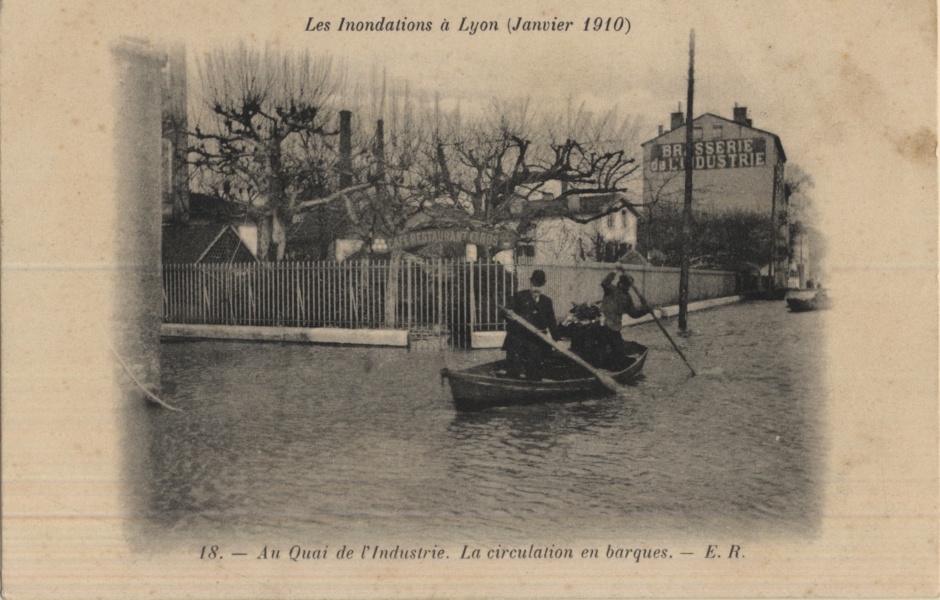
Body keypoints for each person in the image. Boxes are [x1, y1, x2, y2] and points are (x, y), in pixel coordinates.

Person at [595, 269, 663, 369]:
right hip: (603, 325)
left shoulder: (627, 297)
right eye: (626, 285)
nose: (627, 288)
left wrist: (646, 310)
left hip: (614, 327)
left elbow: (633, 313)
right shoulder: (610, 289)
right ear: (620, 283)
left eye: (629, 286)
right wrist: (614, 271)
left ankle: (612, 367)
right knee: (602, 351)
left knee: (618, 352)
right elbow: (604, 282)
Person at [502, 269, 559, 380]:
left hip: (536, 340)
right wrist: (509, 315)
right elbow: (504, 312)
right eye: (534, 285)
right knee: (513, 369)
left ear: (543, 286)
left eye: (540, 285)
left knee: (535, 371)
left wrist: (557, 340)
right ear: (530, 283)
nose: (536, 288)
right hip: (518, 338)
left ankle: (533, 388)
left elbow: (552, 322)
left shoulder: (547, 301)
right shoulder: (519, 297)